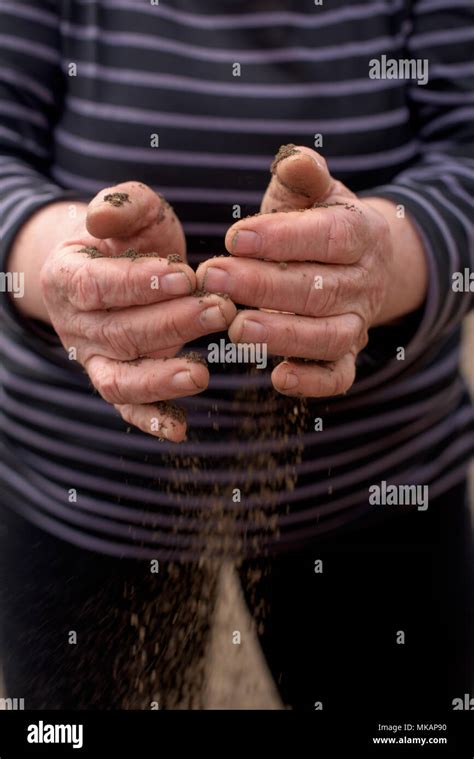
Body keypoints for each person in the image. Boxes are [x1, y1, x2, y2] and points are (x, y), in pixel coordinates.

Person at [0, 0, 472, 711]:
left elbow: (465, 151)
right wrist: (64, 265)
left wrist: (384, 256)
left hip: (375, 484)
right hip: (84, 482)